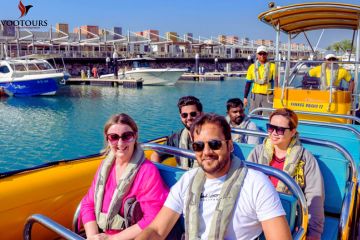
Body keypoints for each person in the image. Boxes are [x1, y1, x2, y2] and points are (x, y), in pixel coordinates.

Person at [136, 113, 291, 240]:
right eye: (198, 146)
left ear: (230, 146)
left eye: (215, 144)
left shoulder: (256, 183)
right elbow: (156, 230)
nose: (207, 152)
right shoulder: (187, 180)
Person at [80, 113, 169, 240]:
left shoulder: (147, 171)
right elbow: (88, 204)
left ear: (135, 136)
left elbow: (153, 218)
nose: (120, 143)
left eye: (127, 136)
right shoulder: (105, 167)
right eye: (114, 137)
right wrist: (93, 236)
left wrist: (111, 239)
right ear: (107, 139)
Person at [247, 108, 324, 240]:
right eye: (271, 127)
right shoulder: (257, 152)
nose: (274, 133)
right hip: (256, 214)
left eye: (280, 129)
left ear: (293, 132)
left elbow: (314, 196)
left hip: (288, 218)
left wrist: (314, 233)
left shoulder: (306, 159)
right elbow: (245, 184)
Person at [151, 96, 203, 169]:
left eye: (193, 114)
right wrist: (156, 172)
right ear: (180, 116)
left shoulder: (211, 137)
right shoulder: (176, 138)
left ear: (201, 114)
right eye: (184, 115)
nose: (189, 118)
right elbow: (156, 154)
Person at [244, 45, 276, 115]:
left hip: (268, 96)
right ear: (257, 55)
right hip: (255, 96)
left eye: (264, 53)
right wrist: (245, 97)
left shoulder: (273, 66)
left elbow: (276, 83)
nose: (262, 55)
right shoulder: (251, 67)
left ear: (267, 54)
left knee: (269, 116)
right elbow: (248, 83)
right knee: (254, 116)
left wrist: (276, 95)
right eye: (260, 54)